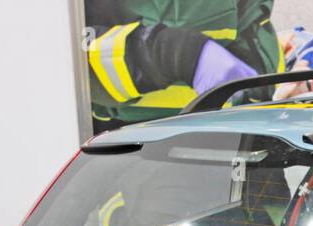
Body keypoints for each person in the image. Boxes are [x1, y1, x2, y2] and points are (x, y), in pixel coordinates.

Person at [85, 0, 282, 131]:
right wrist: (175, 53)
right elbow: (61, 48)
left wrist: (272, 67)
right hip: (148, 146)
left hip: (250, 125)